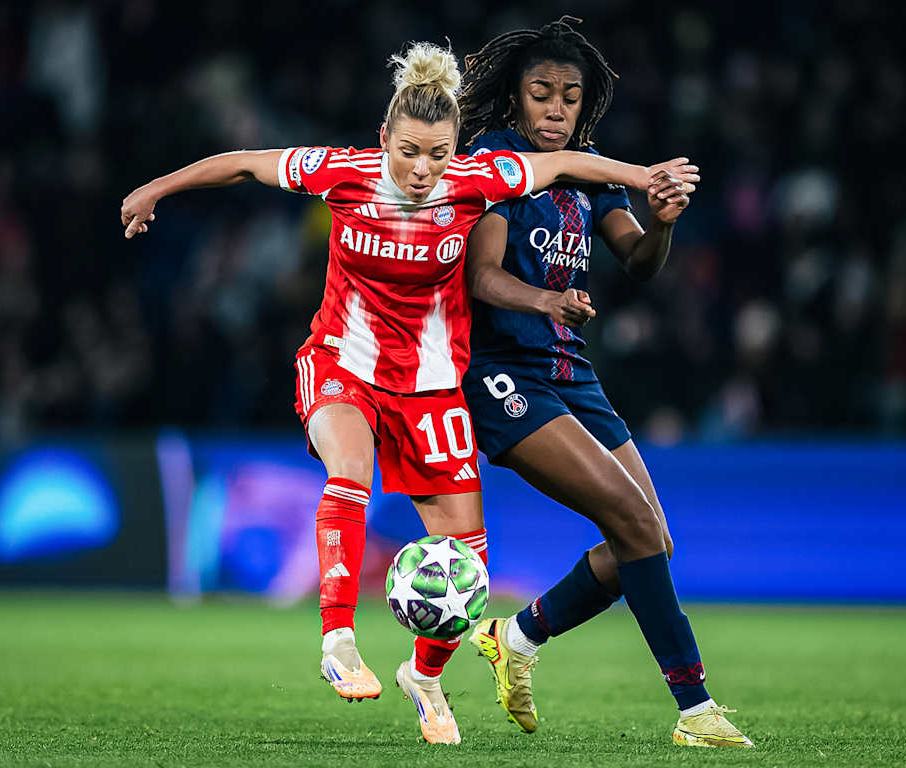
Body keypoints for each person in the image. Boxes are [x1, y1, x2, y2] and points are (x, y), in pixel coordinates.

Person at [121, 41, 697, 745]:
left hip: (430, 388)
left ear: (457, 149)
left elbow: (571, 163)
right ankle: (338, 642)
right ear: (384, 141)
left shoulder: (479, 179)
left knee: (469, 563)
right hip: (345, 364)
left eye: (439, 153)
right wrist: (156, 187)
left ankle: (425, 678)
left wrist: (647, 177)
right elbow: (243, 163)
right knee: (350, 472)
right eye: (411, 152)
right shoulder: (341, 172)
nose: (424, 170)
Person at [457, 18, 753, 749]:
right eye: (540, 94)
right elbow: (482, 276)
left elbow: (640, 261)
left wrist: (662, 223)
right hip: (503, 371)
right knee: (632, 521)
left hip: (570, 371)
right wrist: (547, 300)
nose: (554, 110)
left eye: (568, 97)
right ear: (516, 101)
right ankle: (695, 710)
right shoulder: (495, 163)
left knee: (650, 538)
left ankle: (517, 637)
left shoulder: (587, 171)